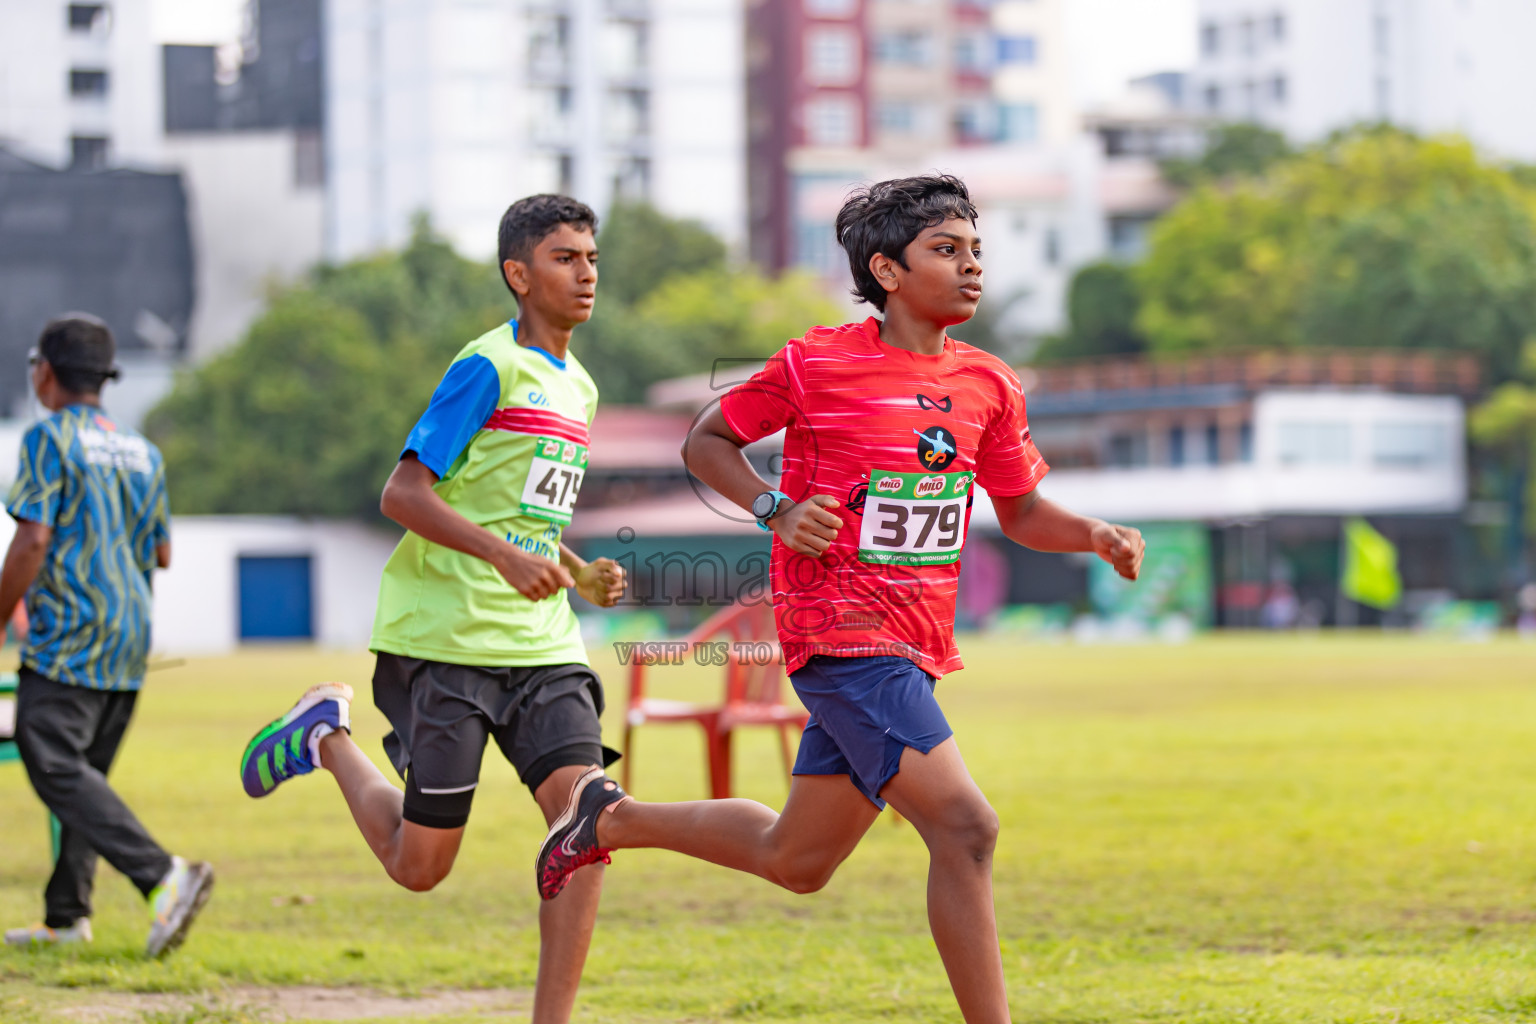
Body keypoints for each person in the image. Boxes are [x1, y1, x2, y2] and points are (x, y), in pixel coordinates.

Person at [532, 175, 1146, 1024]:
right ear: (887, 271)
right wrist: (775, 509)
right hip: (842, 638)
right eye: (947, 250)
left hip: (916, 646)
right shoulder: (817, 363)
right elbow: (706, 441)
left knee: (798, 859)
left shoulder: (991, 385)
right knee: (967, 828)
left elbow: (1025, 511)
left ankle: (606, 819)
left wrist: (1096, 535)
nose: (972, 267)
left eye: (976, 251)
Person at [239, 195, 626, 1024]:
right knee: (419, 867)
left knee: (585, 826)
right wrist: (503, 556)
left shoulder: (582, 388)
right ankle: (324, 738)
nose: (586, 273)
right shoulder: (486, 367)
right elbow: (403, 493)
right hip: (446, 641)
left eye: (592, 257)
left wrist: (574, 571)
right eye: (565, 258)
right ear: (519, 274)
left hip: (544, 646)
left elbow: (523, 518)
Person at [1, 314, 214, 957]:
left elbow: (33, 537)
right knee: (85, 774)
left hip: (69, 633)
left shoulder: (48, 441)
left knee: (52, 764)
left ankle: (163, 876)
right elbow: (164, 551)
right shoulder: (142, 451)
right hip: (129, 636)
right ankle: (67, 917)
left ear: (45, 373)